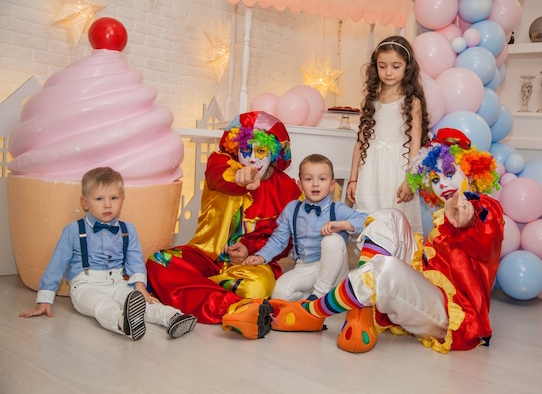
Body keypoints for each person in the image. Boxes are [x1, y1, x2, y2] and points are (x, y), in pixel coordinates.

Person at [222, 128, 504, 354]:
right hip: (417, 287)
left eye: (450, 173)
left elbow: (484, 233)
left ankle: (313, 311)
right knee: (389, 215)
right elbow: (280, 237)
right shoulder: (442, 217)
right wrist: (259, 254)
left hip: (453, 317)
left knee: (385, 269)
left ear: (472, 171)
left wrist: (468, 215)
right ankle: (361, 305)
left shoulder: (485, 208)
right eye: (433, 177)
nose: (442, 184)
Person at [147, 111, 302, 325]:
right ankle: (233, 306)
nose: (252, 157)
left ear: (273, 154)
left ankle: (189, 290)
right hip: (205, 257)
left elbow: (285, 241)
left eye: (261, 150)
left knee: (257, 286)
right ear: (235, 146)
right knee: (158, 262)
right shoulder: (220, 163)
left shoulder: (288, 189)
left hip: (251, 265)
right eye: (246, 148)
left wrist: (249, 249)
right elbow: (220, 176)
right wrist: (239, 180)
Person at [19, 167, 197, 341]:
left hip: (117, 282)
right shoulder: (74, 230)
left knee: (142, 301)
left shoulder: (127, 229)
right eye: (99, 198)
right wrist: (44, 300)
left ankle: (174, 318)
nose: (107, 204)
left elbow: (135, 260)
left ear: (122, 199)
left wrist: (140, 287)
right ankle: (122, 323)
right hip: (85, 285)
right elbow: (57, 265)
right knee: (102, 305)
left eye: (114, 198)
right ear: (85, 203)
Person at [243, 154, 368, 302]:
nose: (315, 184)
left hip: (335, 269)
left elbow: (366, 220)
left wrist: (342, 225)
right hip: (305, 266)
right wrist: (261, 256)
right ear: (300, 185)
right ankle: (316, 299)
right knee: (279, 294)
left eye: (322, 179)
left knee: (332, 240)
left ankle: (321, 293)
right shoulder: (292, 209)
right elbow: (279, 239)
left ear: (332, 185)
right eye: (308, 179)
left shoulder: (337, 208)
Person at [347, 35, 430, 235]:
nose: (388, 72)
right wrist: (353, 179)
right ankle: (368, 262)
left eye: (395, 66)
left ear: (407, 67)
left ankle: (395, 264)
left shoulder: (412, 102)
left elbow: (415, 146)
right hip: (370, 169)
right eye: (382, 66)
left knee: (395, 221)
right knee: (369, 218)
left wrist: (410, 180)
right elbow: (360, 142)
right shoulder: (371, 100)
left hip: (397, 171)